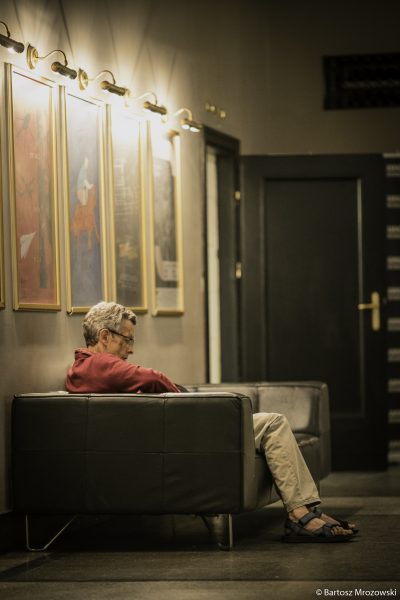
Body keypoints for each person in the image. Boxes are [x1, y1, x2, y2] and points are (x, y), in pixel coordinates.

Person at [66, 301, 357, 543]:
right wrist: (187, 399)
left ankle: (304, 511)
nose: (131, 349)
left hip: (171, 436)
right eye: (127, 339)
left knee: (271, 426)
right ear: (105, 336)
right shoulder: (96, 364)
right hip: (183, 437)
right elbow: (153, 377)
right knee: (273, 423)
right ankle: (301, 514)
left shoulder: (86, 369)